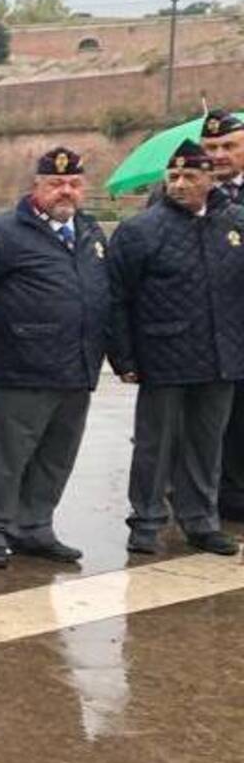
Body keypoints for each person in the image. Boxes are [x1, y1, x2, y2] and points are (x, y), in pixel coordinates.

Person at [0, 147, 109, 568]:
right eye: (55, 184)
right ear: (35, 187)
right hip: (22, 365)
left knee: (56, 455)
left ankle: (35, 527)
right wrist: (8, 334)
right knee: (5, 456)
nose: (66, 191)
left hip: (77, 366)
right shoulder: (2, 232)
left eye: (74, 184)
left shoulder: (92, 233)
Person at [105, 140, 244, 557]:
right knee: (156, 443)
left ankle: (201, 520)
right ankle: (145, 521)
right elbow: (116, 299)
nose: (179, 184)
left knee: (207, 444)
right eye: (173, 177)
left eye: (190, 177)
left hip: (222, 355)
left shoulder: (236, 223)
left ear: (210, 179)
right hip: (164, 354)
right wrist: (124, 358)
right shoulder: (140, 231)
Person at [197, 111, 244, 520]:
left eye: (229, 146)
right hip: (201, 333)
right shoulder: (181, 192)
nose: (219, 155)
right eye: (211, 148)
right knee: (206, 423)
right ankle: (202, 497)